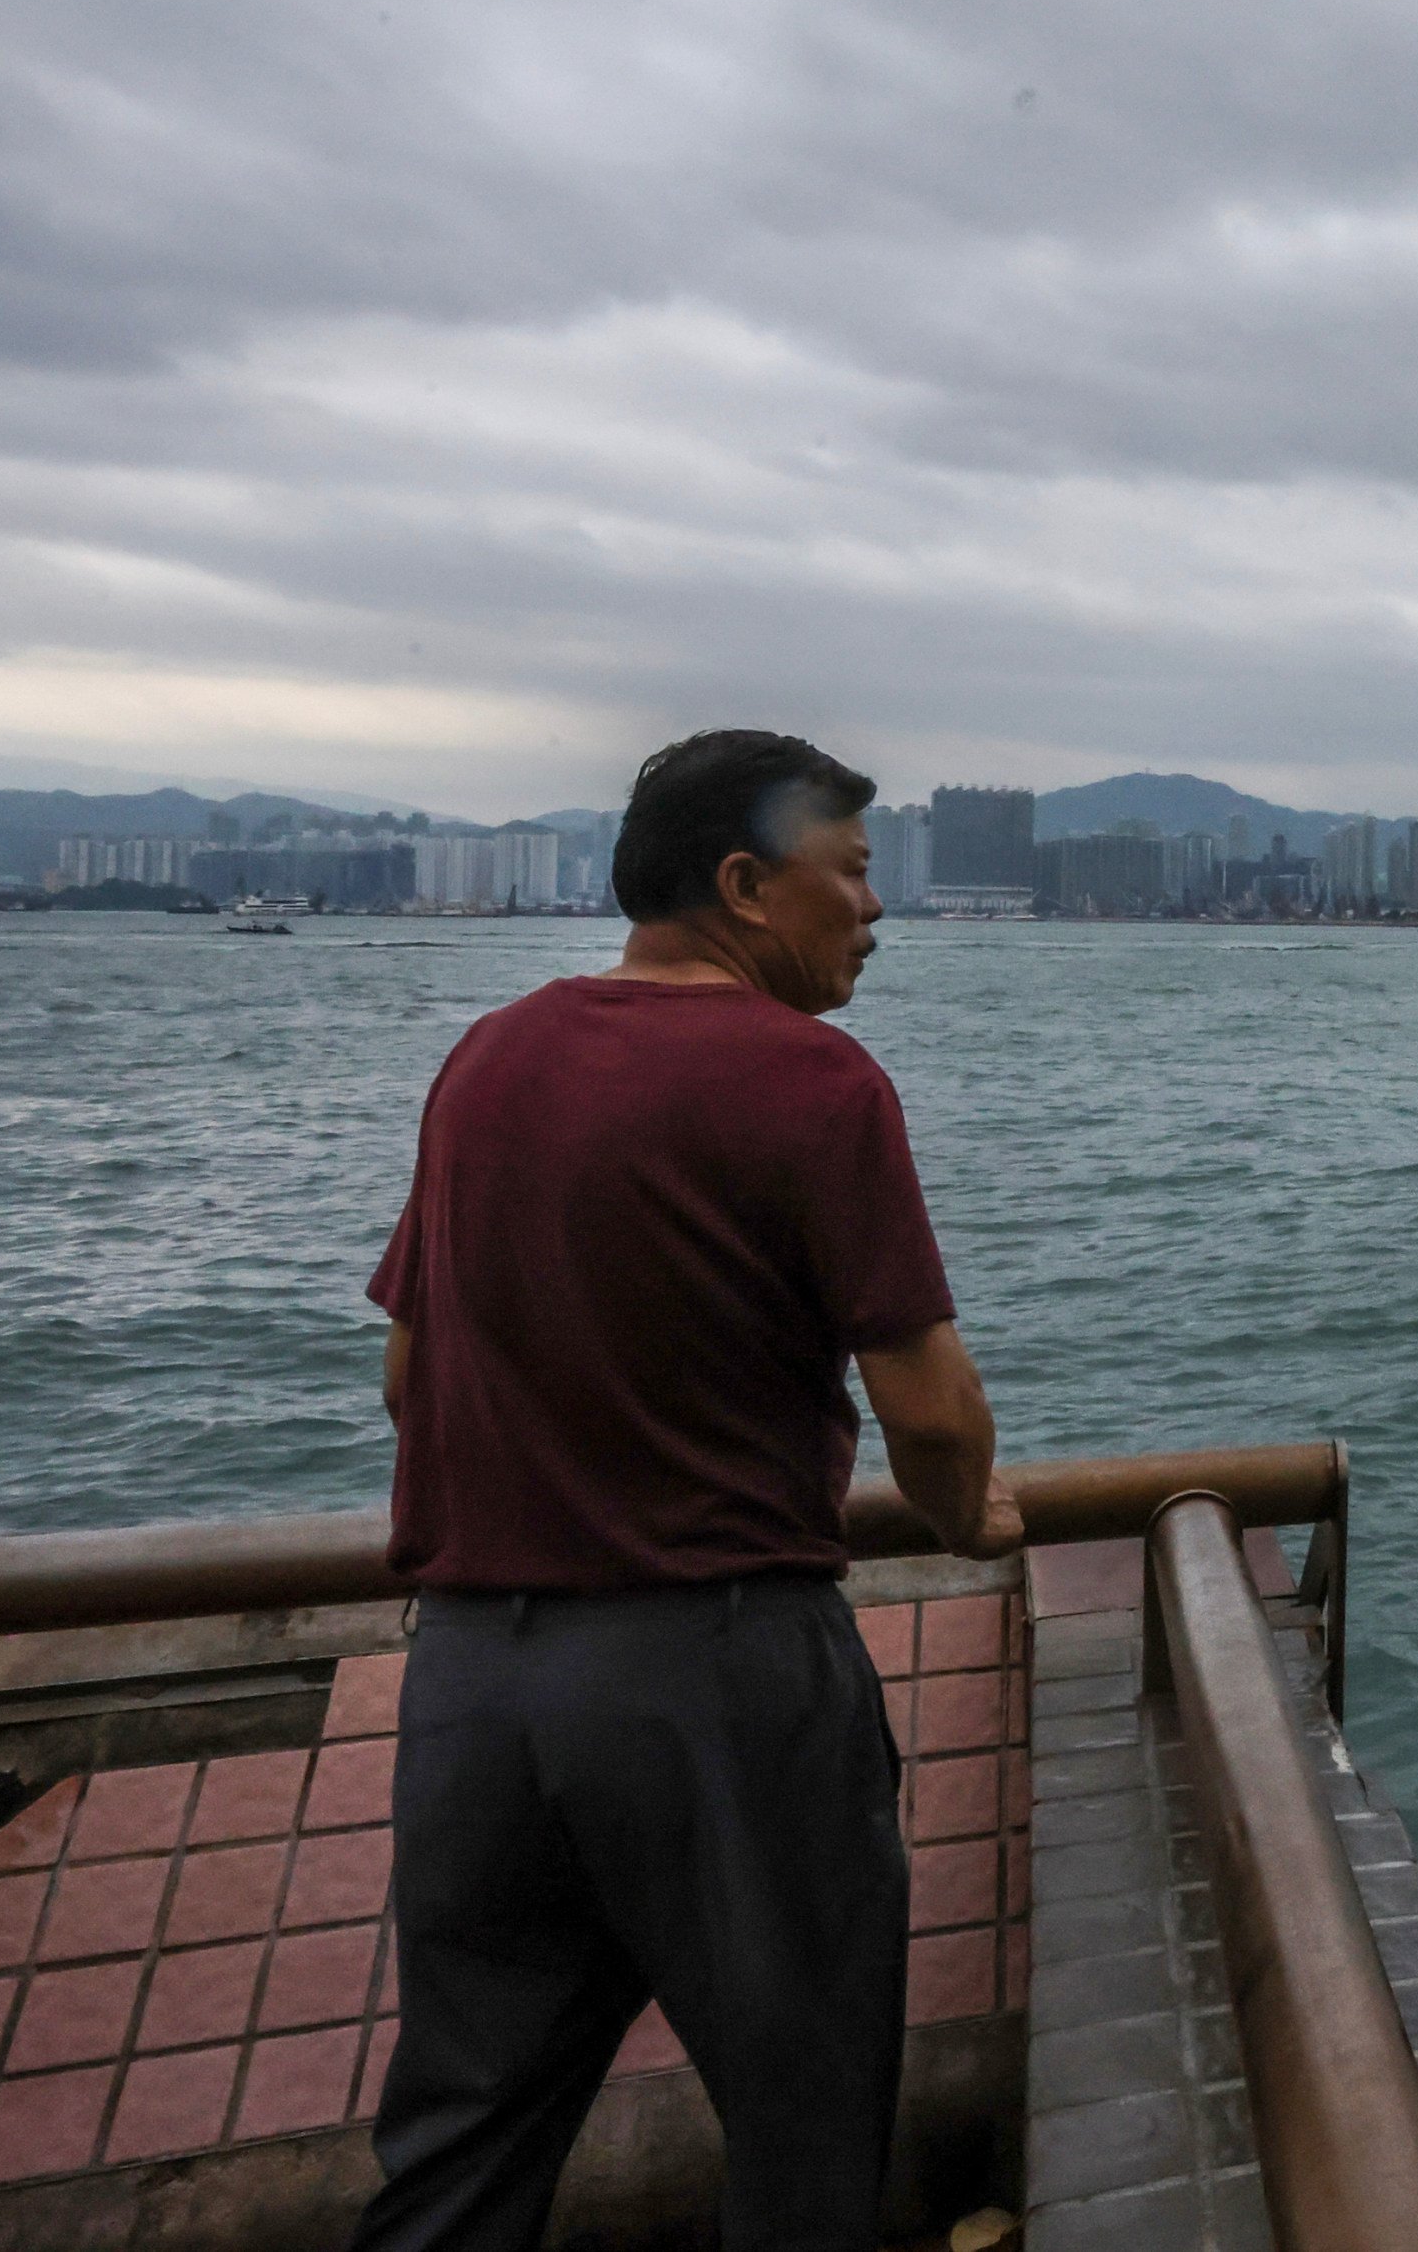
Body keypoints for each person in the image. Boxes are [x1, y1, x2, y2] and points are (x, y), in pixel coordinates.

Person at [351, 730, 1022, 2252]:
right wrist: (965, 1512)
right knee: (803, 2124)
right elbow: (931, 1405)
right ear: (741, 884)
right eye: (849, 873)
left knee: (460, 2143)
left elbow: (407, 1380)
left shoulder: (488, 1056)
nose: (874, 909)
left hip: (473, 1680)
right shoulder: (815, 1081)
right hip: (715, 1677)